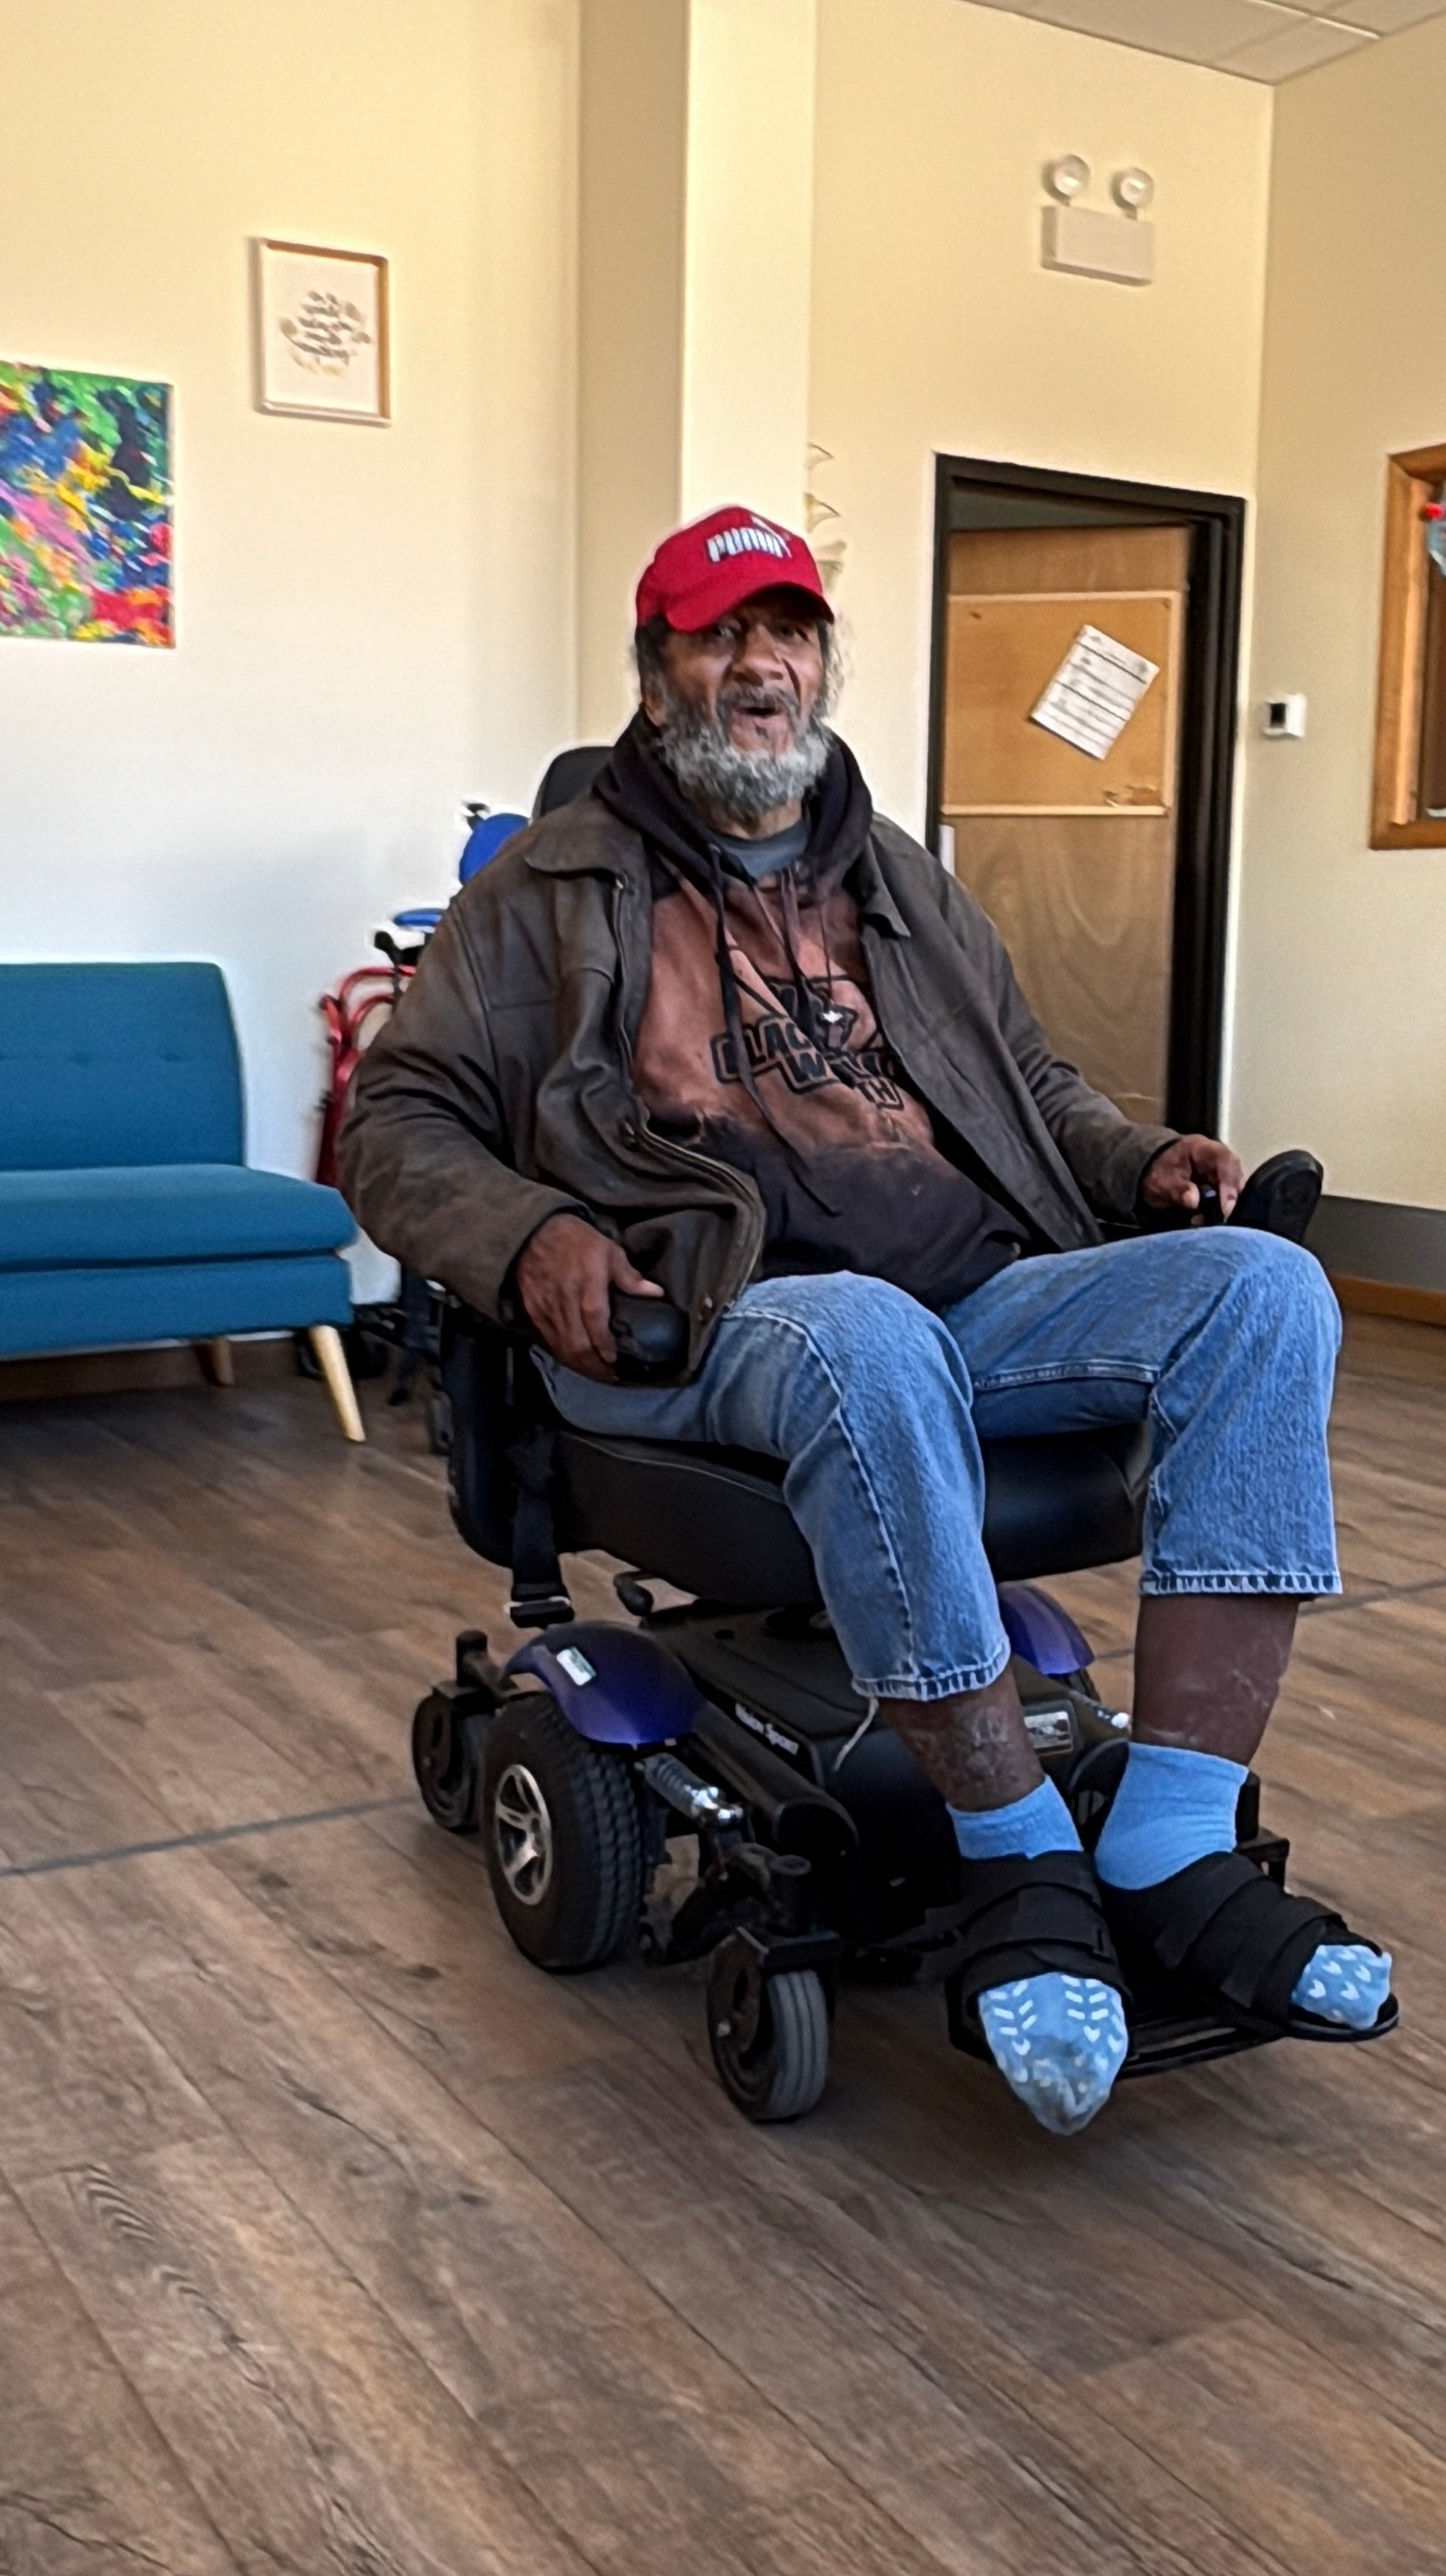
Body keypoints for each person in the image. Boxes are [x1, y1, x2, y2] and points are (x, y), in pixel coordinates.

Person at [340, 503, 1390, 2135]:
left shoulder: (896, 876)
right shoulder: (546, 889)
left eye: (790, 632)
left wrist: (1135, 1159)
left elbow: (1024, 1082)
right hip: (708, 1315)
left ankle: (1172, 1843)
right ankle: (1016, 1850)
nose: (761, 664)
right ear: (657, 668)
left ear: (823, 663)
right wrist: (529, 1230)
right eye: (720, 635)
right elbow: (396, 1121)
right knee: (861, 1328)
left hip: (973, 1294)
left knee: (1266, 1288)